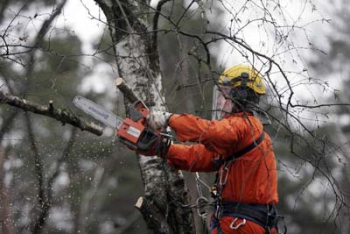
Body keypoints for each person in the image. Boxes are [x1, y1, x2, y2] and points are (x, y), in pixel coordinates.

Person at [142, 64, 280, 233]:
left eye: (224, 94)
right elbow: (198, 156)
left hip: (240, 225)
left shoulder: (245, 125)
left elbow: (212, 132)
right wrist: (163, 149)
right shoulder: (241, 135)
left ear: (240, 95)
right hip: (239, 223)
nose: (219, 101)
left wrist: (169, 119)